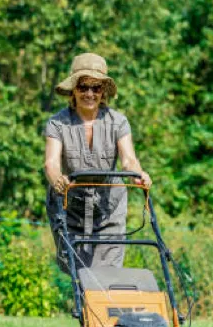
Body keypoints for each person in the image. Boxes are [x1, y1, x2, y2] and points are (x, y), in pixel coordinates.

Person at [44, 53, 151, 274]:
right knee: (78, 274)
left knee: (108, 274)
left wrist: (138, 175)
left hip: (107, 210)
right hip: (69, 208)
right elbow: (51, 163)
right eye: (84, 87)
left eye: (96, 88)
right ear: (74, 88)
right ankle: (82, 308)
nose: (90, 94)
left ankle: (104, 309)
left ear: (103, 91)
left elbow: (129, 159)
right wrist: (57, 180)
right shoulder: (57, 123)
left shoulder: (118, 122)